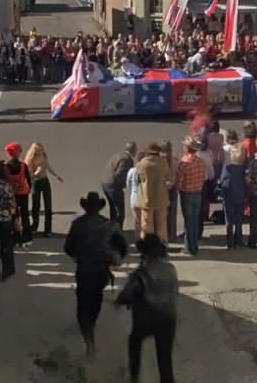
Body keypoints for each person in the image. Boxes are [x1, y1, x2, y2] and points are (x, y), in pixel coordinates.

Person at [64, 192, 128, 359]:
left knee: (82, 303)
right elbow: (123, 245)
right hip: (102, 269)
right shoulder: (109, 225)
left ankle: (89, 338)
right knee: (96, 299)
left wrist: (78, 254)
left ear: (85, 208)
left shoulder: (77, 224)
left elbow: (68, 248)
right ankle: (91, 325)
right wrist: (116, 257)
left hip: (84, 269)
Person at [115, 234, 178, 383]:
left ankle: (135, 377)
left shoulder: (141, 274)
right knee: (165, 358)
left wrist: (119, 301)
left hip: (148, 318)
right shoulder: (170, 268)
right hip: (168, 317)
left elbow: (128, 294)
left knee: (134, 341)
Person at [23, 142, 63, 237]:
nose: (40, 152)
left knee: (48, 205)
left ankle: (48, 229)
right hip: (36, 182)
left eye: (41, 150)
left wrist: (56, 175)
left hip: (45, 181)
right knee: (36, 205)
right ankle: (34, 226)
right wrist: (36, 172)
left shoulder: (44, 156)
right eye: (38, 151)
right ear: (34, 152)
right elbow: (28, 175)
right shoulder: (30, 160)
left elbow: (48, 167)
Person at [176, 136, 206, 255]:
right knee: (195, 219)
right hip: (198, 193)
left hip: (187, 194)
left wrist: (178, 188)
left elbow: (179, 182)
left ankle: (189, 247)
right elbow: (203, 177)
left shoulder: (184, 163)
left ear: (187, 148)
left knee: (188, 222)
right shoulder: (200, 162)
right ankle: (195, 245)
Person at [136, 143, 171, 243]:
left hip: (146, 198)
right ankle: (163, 245)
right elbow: (168, 178)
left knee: (147, 225)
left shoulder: (141, 164)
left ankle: (147, 246)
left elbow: (138, 178)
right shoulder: (163, 163)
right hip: (161, 197)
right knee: (161, 225)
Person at [101, 142, 137, 227]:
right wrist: (124, 184)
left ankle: (112, 228)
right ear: (133, 150)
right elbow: (120, 173)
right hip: (113, 185)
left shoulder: (119, 155)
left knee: (113, 208)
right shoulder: (127, 159)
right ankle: (117, 231)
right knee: (119, 211)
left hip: (106, 183)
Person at [4, 142, 33, 247]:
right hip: (23, 193)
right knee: (25, 215)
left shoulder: (6, 166)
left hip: (12, 194)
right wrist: (29, 188)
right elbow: (28, 179)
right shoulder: (23, 166)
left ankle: (16, 238)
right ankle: (26, 237)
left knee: (14, 216)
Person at [219, 145, 246, 249]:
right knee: (239, 218)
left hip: (229, 197)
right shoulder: (243, 169)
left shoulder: (228, 168)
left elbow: (222, 180)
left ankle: (229, 241)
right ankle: (238, 239)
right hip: (240, 196)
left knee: (229, 220)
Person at [127, 152, 145, 239]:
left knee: (137, 221)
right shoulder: (145, 171)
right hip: (143, 197)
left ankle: (137, 239)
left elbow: (128, 184)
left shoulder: (132, 171)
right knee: (144, 221)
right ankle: (144, 239)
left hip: (134, 197)